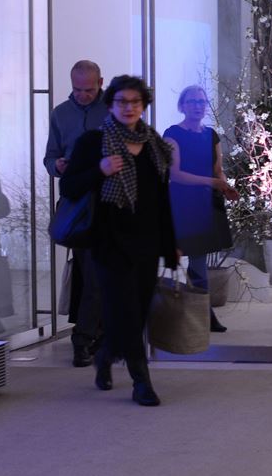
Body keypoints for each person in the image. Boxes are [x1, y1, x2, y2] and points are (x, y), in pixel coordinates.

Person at [60, 75, 179, 406]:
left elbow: (161, 201)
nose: (129, 108)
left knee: (136, 312)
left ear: (144, 105)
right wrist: (99, 170)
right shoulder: (93, 142)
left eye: (135, 102)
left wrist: (170, 243)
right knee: (124, 310)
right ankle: (142, 382)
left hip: (146, 242)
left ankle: (105, 355)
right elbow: (68, 187)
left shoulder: (154, 145)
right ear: (110, 105)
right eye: (122, 102)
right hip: (108, 241)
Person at [44, 60, 108, 367]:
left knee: (101, 275)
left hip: (110, 201)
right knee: (90, 274)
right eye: (77, 89)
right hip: (79, 203)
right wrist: (57, 165)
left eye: (89, 90)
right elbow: (50, 156)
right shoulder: (61, 113)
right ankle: (84, 339)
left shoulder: (114, 110)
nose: (82, 95)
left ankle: (95, 336)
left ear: (100, 83)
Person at [162, 85, 239, 332]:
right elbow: (175, 174)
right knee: (194, 260)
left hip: (208, 202)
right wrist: (213, 182)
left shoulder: (211, 135)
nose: (197, 106)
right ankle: (203, 314)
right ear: (182, 106)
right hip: (184, 203)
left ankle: (200, 314)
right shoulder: (172, 134)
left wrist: (224, 186)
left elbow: (218, 170)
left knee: (198, 259)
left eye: (201, 102)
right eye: (192, 101)